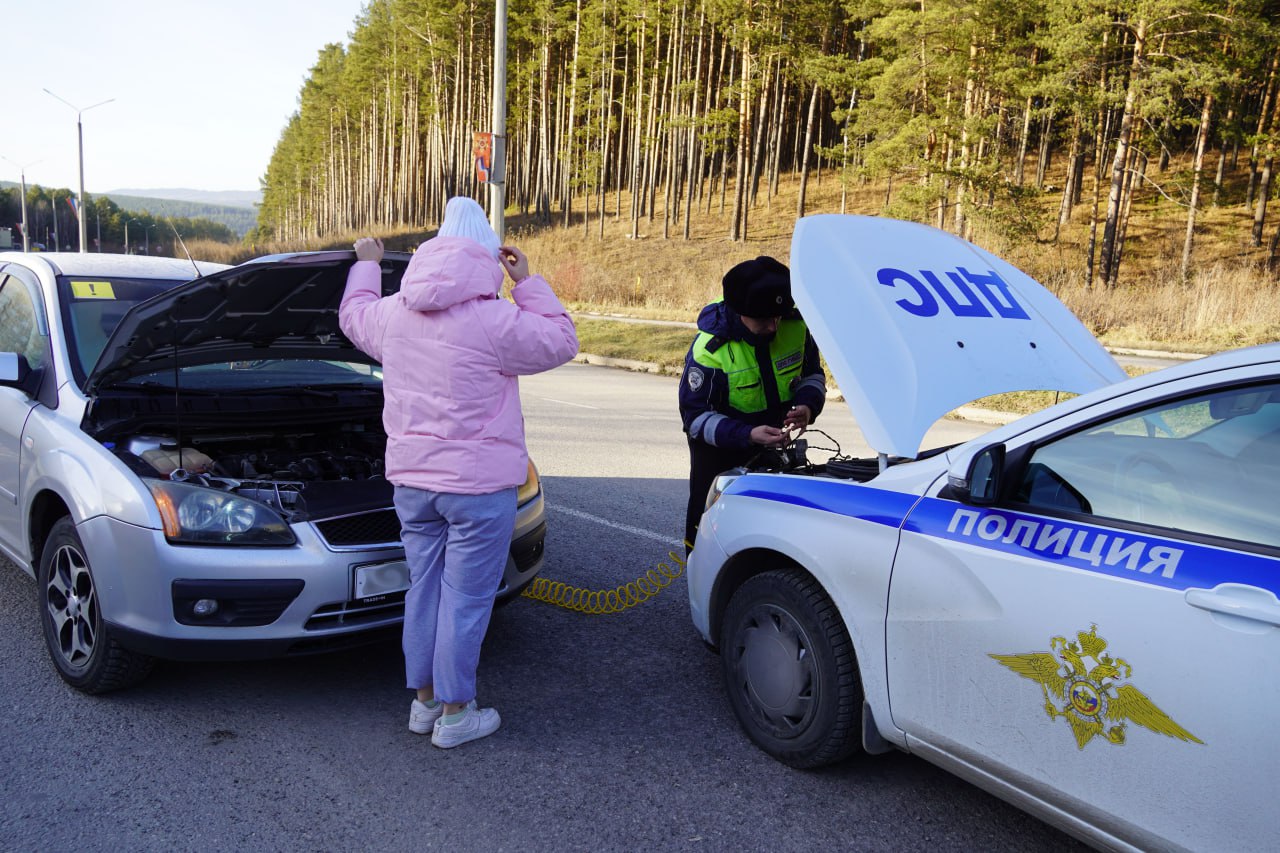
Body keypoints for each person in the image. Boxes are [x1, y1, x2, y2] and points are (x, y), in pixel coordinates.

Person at [340, 196, 578, 748]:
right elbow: (563, 340)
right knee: (466, 600)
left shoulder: (395, 313)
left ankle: (423, 704)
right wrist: (528, 282)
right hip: (477, 489)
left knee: (422, 590)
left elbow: (352, 317)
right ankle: (455, 714)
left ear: (431, 251)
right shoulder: (496, 319)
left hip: (412, 484)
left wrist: (368, 264)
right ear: (487, 257)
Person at [678, 256, 826, 552]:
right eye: (763, 319)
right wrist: (745, 434)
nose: (773, 327)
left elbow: (812, 375)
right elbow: (695, 418)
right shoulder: (710, 350)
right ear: (739, 312)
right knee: (708, 529)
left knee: (777, 530)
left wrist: (807, 406)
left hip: (776, 442)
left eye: (778, 316)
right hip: (721, 452)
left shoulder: (794, 326)